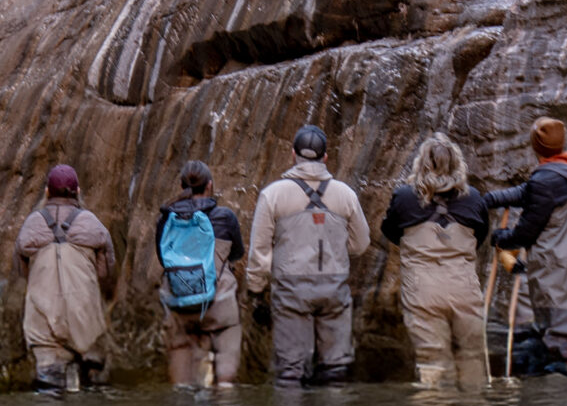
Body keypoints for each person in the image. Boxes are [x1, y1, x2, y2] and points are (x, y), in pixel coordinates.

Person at [247, 123, 370, 386]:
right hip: (334, 288)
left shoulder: (273, 195)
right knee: (336, 369)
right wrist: (336, 250)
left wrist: (256, 291)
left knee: (291, 371)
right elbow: (361, 244)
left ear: (293, 155)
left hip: (291, 291)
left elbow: (259, 251)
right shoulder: (346, 194)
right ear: (325, 157)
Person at [380, 133, 492, 391]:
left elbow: (390, 231)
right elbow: (481, 236)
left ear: (421, 163)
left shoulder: (405, 197)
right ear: (457, 164)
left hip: (423, 290)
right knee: (473, 359)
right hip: (464, 288)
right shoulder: (474, 198)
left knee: (434, 363)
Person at [490, 118, 567, 376]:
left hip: (556, 266)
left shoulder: (547, 180)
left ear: (536, 146)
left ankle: (558, 387)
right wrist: (493, 199)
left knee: (559, 334)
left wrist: (502, 238)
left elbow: (527, 232)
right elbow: (534, 192)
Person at [16, 163, 116, 393]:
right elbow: (105, 272)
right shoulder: (92, 223)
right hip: (85, 321)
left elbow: (22, 272)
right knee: (90, 396)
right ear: (78, 192)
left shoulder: (32, 223)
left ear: (47, 192)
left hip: (43, 322)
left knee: (49, 395)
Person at [155, 160, 245, 388]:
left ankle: (184, 396)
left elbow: (162, 258)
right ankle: (224, 391)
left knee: (183, 382)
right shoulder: (225, 217)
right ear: (210, 185)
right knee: (227, 347)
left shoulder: (166, 219)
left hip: (179, 303)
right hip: (218, 303)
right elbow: (237, 254)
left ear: (182, 185)